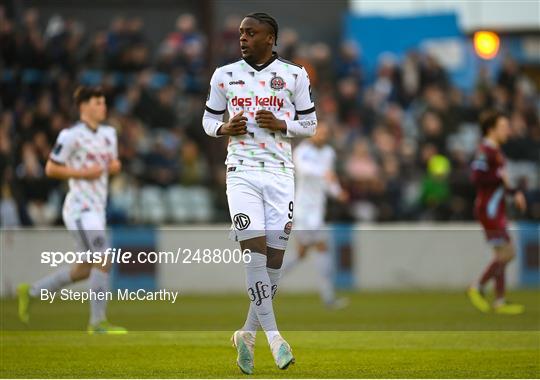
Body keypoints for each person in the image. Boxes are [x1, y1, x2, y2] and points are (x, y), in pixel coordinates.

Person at [202, 12, 316, 374]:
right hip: (241, 174)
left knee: (273, 266)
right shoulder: (224, 76)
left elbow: (311, 125)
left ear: (271, 38)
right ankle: (275, 338)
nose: (243, 38)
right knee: (253, 254)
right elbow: (206, 121)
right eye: (240, 33)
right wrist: (223, 128)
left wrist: (283, 124)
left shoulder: (295, 75)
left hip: (281, 175)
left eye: (251, 33)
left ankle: (246, 335)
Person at [17, 86, 126, 334]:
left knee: (84, 270)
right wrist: (82, 173)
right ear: (83, 106)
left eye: (104, 102)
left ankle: (32, 291)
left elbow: (113, 163)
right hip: (79, 207)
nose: (103, 107)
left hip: (97, 207)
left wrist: (115, 166)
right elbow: (51, 168)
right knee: (104, 258)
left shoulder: (109, 133)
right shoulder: (70, 136)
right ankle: (97, 323)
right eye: (98, 103)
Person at [284, 121, 349, 308]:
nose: (322, 136)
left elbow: (328, 180)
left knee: (301, 254)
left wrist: (338, 192)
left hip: (318, 209)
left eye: (325, 133)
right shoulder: (301, 151)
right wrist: (325, 174)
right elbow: (305, 171)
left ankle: (267, 281)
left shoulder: (329, 153)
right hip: (303, 210)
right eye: (318, 132)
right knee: (322, 248)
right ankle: (328, 298)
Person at [467, 110, 527, 315]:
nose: (507, 130)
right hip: (489, 210)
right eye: (503, 127)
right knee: (507, 252)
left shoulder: (496, 152)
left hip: (497, 208)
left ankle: (499, 301)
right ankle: (477, 286)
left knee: (501, 253)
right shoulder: (485, 151)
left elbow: (500, 180)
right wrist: (500, 179)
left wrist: (514, 192)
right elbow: (477, 177)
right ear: (491, 129)